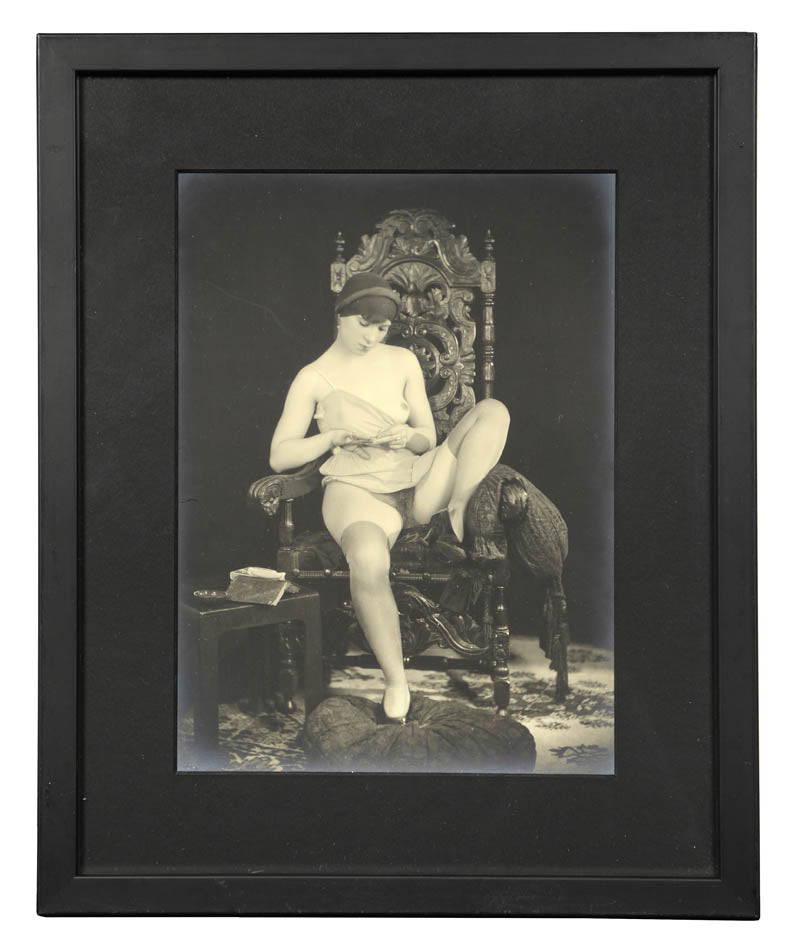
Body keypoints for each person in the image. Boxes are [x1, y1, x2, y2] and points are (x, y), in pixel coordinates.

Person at [269, 273, 510, 724]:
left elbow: (426, 438)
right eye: (364, 325)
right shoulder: (313, 377)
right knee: (367, 558)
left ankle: (457, 507)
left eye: (381, 328)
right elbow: (280, 455)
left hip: (414, 479)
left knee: (493, 411)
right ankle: (396, 680)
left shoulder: (402, 361)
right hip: (356, 491)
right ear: (342, 315)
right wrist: (331, 437)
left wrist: (408, 435)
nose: (372, 336)